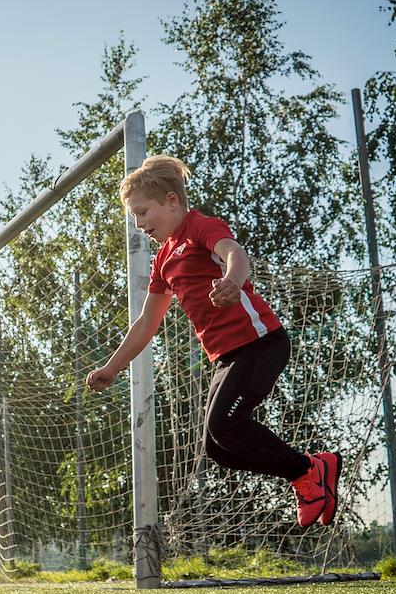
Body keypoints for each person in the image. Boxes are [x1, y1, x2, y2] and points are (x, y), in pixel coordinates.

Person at [87, 155, 341, 527]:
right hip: (226, 357)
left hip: (261, 343)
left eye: (143, 213)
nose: (139, 224)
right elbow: (146, 322)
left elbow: (235, 254)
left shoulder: (201, 227)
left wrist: (233, 281)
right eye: (134, 218)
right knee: (217, 447)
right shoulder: (163, 260)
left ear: (171, 200)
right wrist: (112, 367)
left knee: (226, 426)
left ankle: (307, 471)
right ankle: (309, 469)